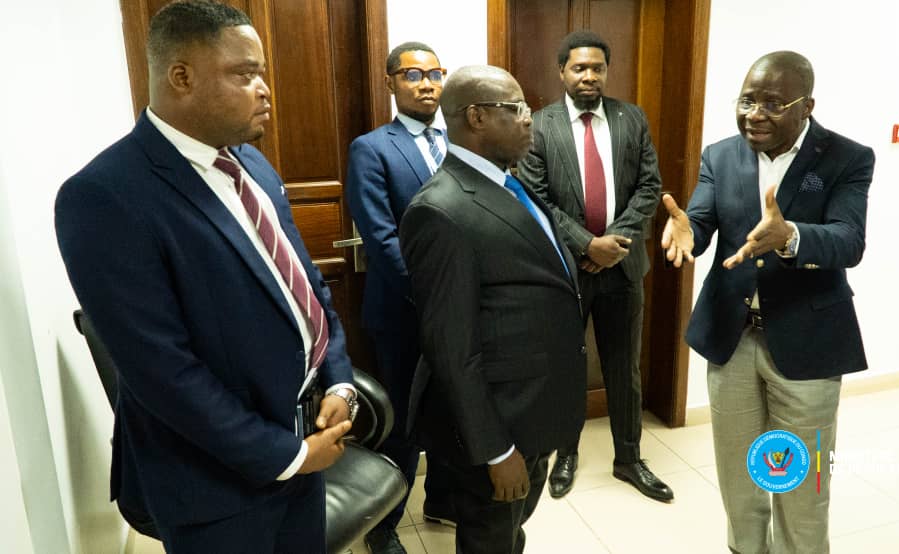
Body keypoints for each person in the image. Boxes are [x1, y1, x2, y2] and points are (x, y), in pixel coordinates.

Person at [54, 2, 358, 552]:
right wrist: (286, 456)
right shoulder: (103, 196)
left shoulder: (251, 164)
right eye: (245, 74)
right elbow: (161, 372)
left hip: (303, 445)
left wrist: (336, 377)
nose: (265, 89)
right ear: (181, 77)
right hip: (216, 489)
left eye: (261, 73)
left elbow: (305, 287)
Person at [661, 50, 874, 553]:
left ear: (806, 106)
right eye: (747, 100)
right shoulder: (720, 155)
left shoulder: (846, 157)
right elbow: (701, 220)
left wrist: (791, 235)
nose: (754, 114)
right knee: (739, 480)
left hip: (808, 344)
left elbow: (849, 241)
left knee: (803, 487)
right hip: (731, 340)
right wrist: (689, 231)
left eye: (772, 103)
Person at [399, 65, 586, 553]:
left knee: (512, 531)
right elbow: (450, 348)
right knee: (490, 541)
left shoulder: (509, 185)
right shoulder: (440, 209)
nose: (529, 119)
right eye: (516, 108)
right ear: (476, 117)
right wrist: (496, 450)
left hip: (531, 411)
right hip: (496, 426)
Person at [517, 30, 672, 502]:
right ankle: (566, 453)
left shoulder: (631, 118)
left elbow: (649, 186)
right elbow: (535, 197)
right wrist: (587, 244)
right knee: (567, 367)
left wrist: (613, 244)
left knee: (624, 368)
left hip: (622, 268)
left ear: (607, 71)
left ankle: (629, 458)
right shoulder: (539, 125)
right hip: (566, 272)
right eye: (579, 68)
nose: (589, 76)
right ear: (561, 71)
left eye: (598, 68)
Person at [344, 41, 454, 553]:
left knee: (453, 409)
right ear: (390, 82)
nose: (427, 84)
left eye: (435, 73)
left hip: (459, 309)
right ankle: (384, 524)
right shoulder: (372, 148)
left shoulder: (458, 142)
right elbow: (381, 238)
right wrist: (432, 295)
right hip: (403, 311)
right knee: (403, 421)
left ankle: (441, 501)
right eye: (413, 74)